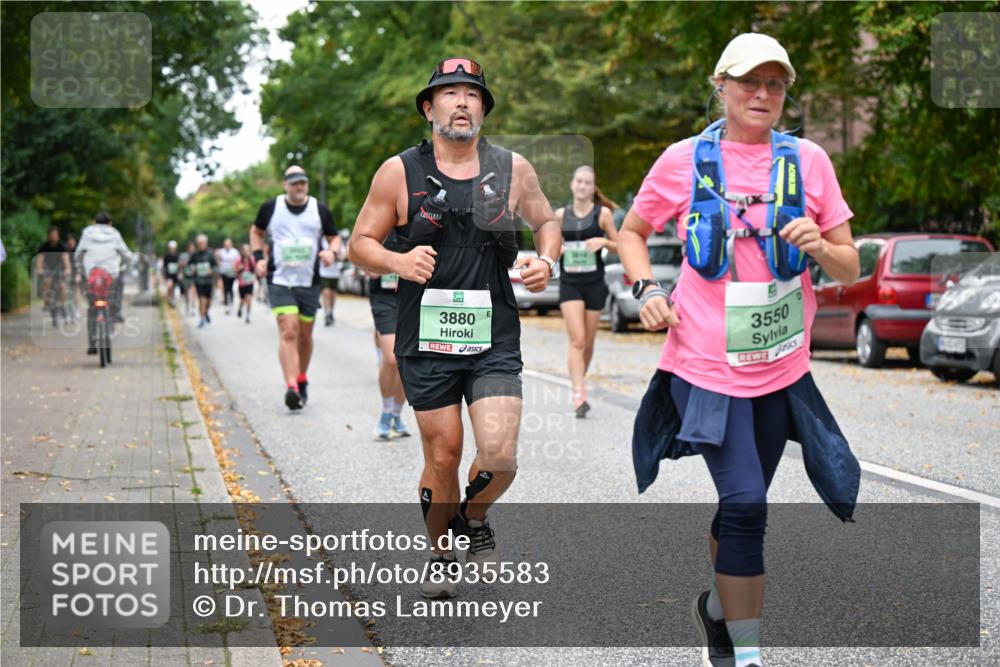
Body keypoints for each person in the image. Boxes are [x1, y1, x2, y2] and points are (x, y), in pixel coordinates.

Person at [621, 34, 862, 667]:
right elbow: (632, 233)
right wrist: (646, 288)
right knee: (748, 503)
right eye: (749, 82)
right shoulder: (683, 160)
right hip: (701, 366)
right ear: (720, 84)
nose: (762, 94)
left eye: (775, 84)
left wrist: (818, 245)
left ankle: (718, 610)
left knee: (742, 507)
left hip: (780, 369)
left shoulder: (808, 162)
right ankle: (746, 656)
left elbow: (848, 263)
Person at [349, 58, 561, 599]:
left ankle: (472, 514)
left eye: (473, 94)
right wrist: (397, 263)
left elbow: (547, 220)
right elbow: (361, 244)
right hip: (426, 336)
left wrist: (548, 261)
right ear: (429, 107)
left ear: (483, 111)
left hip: (494, 335)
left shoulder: (514, 169)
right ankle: (441, 551)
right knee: (442, 455)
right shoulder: (398, 172)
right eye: (450, 93)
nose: (462, 101)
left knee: (499, 456)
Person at [250, 165, 340, 410]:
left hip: (309, 281)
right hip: (279, 279)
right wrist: (258, 257)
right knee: (288, 330)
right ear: (285, 185)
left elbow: (334, 237)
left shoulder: (319, 209)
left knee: (305, 334)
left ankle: (301, 377)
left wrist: (331, 252)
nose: (299, 186)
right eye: (294, 182)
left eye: (303, 182)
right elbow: (256, 232)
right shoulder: (271, 208)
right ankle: (291, 386)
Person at [555, 166, 620, 418]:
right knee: (577, 339)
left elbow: (622, 247)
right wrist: (556, 249)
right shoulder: (561, 215)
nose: (582, 186)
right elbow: (546, 244)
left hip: (595, 282)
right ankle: (579, 392)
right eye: (578, 181)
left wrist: (604, 242)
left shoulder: (602, 214)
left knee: (589, 342)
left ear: (593, 188)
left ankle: (579, 381)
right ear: (572, 185)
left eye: (587, 183)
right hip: (570, 283)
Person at [366, 229, 410, 440]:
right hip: (384, 298)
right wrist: (369, 264)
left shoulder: (420, 216)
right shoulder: (380, 223)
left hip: (412, 296)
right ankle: (385, 412)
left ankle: (397, 414)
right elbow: (361, 249)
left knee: (405, 361)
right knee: (391, 358)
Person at [74, 211, 132, 353]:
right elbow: (127, 255)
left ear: (94, 222)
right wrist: (122, 265)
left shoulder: (87, 232)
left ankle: (93, 343)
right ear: (109, 223)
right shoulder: (115, 233)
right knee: (111, 303)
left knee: (92, 307)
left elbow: (78, 254)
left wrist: (82, 269)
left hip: (92, 276)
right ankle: (110, 329)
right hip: (110, 275)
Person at [35, 227, 72, 325]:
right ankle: (47, 302)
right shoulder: (44, 247)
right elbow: (40, 259)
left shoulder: (62, 246)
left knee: (62, 286)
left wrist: (68, 269)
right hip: (48, 269)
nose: (53, 237)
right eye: (51, 235)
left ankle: (63, 305)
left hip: (59, 269)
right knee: (47, 281)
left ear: (58, 236)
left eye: (55, 235)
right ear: (48, 236)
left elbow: (66, 259)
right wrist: (39, 269)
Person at [188, 234, 217, 328]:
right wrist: (192, 269)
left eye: (203, 243)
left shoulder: (210, 254)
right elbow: (189, 266)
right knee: (201, 300)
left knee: (208, 301)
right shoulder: (194, 255)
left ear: (206, 243)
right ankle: (201, 319)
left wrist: (211, 271)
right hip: (199, 281)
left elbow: (216, 267)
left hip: (208, 281)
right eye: (200, 243)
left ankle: (206, 312)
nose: (201, 245)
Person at [318, 235, 342, 327]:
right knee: (326, 292)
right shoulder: (321, 240)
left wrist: (335, 254)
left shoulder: (337, 241)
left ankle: (331, 311)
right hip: (324, 272)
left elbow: (343, 255)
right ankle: (327, 313)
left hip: (335, 273)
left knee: (333, 294)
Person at [216, 237, 241, 315]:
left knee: (231, 288)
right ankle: (227, 304)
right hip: (224, 272)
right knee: (226, 288)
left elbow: (238, 261)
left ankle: (232, 304)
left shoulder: (235, 252)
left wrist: (235, 268)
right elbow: (218, 260)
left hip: (232, 273)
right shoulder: (221, 251)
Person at [236, 243, 256, 323]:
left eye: (248, 250)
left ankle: (247, 315)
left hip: (250, 282)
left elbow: (255, 269)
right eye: (245, 250)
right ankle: (240, 307)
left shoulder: (252, 259)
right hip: (242, 283)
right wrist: (239, 269)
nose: (247, 252)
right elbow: (235, 270)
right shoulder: (239, 260)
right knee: (243, 299)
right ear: (242, 251)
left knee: (249, 298)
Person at [162, 240, 181, 307]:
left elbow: (179, 264)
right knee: (170, 285)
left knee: (174, 287)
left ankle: (172, 299)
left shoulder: (178, 255)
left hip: (175, 274)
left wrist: (180, 273)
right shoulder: (166, 255)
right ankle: (169, 297)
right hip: (169, 274)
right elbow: (164, 266)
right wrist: (164, 275)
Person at [180, 241, 196, 315]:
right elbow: (180, 265)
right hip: (186, 276)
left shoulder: (196, 255)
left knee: (193, 292)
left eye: (193, 248)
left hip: (194, 276)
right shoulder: (183, 255)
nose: (191, 249)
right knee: (186, 292)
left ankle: (193, 307)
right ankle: (187, 306)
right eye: (190, 248)